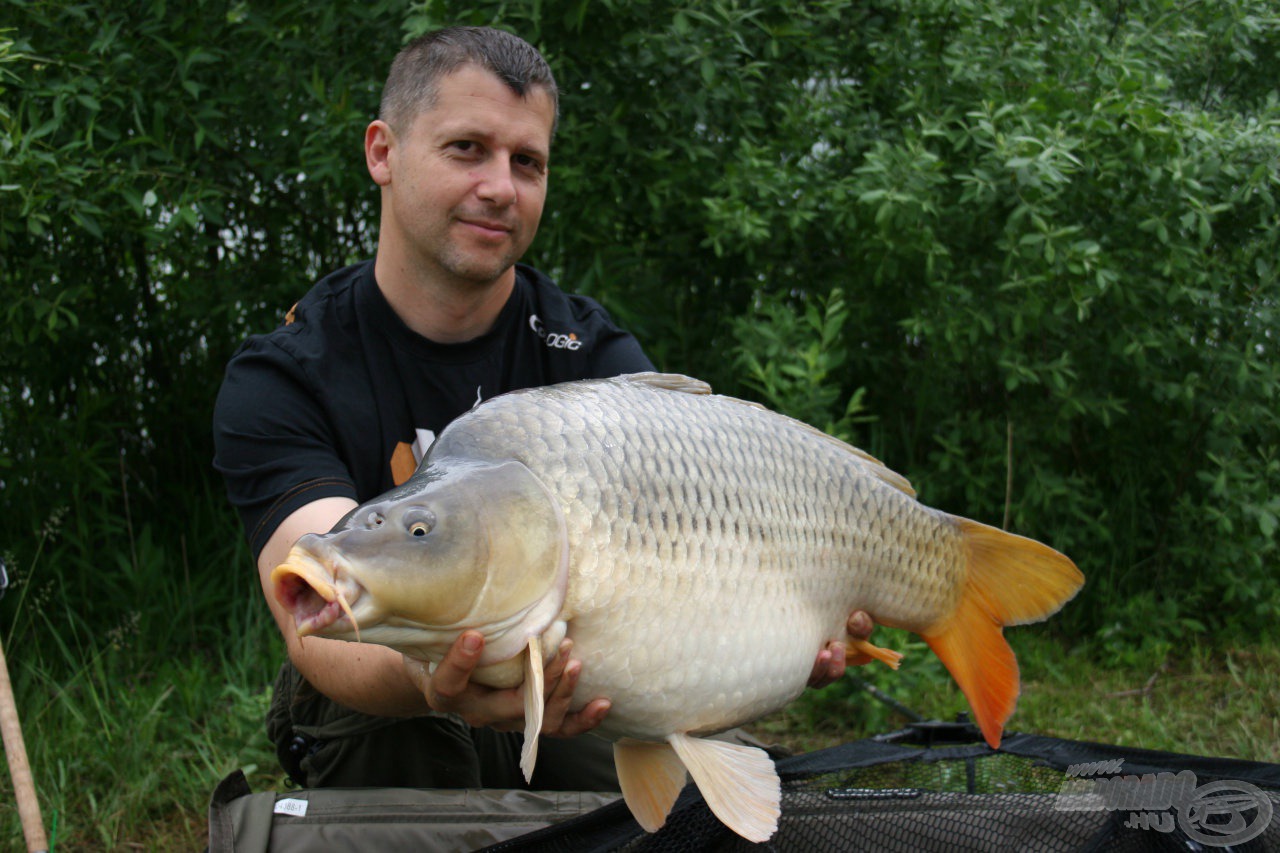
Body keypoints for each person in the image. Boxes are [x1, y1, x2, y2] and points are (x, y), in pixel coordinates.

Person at [213, 26, 878, 792]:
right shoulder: (289, 373)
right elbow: (318, 624)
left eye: (527, 162)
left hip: (577, 678)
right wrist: (435, 681)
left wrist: (789, 636)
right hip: (394, 697)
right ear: (382, 153)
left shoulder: (591, 357)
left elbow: (700, 568)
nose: (501, 186)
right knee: (387, 709)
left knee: (652, 739)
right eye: (467, 148)